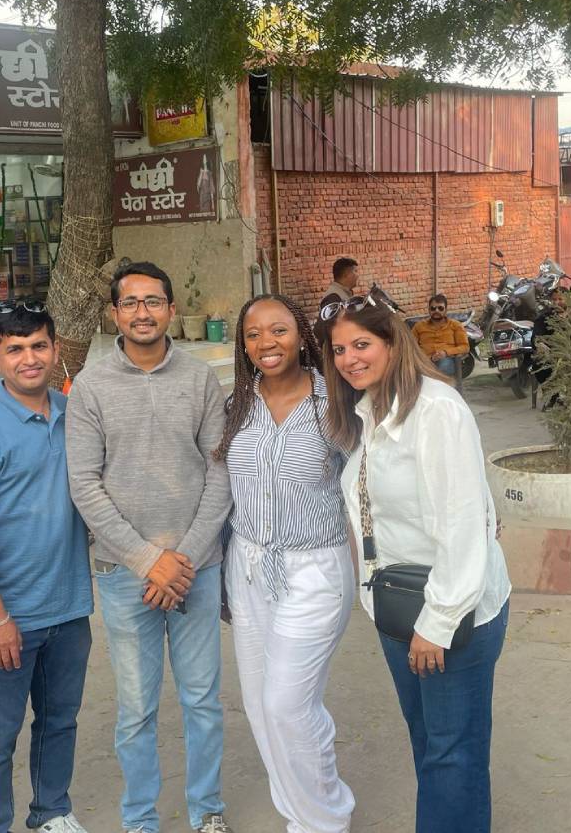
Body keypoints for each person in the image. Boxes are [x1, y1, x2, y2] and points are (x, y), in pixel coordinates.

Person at [321, 294, 511, 833]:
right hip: (399, 607)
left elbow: (462, 524)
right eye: (339, 350)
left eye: (362, 344)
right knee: (430, 744)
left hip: (451, 613)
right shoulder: (367, 410)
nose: (350, 359)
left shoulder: (436, 409)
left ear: (391, 342)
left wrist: (438, 623)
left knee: (454, 754)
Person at [66, 261, 233, 833]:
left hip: (195, 569)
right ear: (115, 313)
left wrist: (181, 557)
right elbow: (83, 484)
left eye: (154, 301)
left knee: (203, 702)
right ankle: (140, 820)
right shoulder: (90, 386)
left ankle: (207, 811)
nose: (143, 312)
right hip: (124, 574)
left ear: (169, 309)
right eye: (131, 302)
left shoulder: (199, 378)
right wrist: (148, 561)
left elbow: (220, 473)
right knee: (136, 711)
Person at [0, 302, 94, 833]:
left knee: (60, 721)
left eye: (38, 346)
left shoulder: (75, 416)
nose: (28, 358)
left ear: (55, 351)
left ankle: (51, 810)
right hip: (8, 616)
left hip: (70, 605)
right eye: (15, 349)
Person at [215, 294, 355, 833]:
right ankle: (299, 815)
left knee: (288, 704)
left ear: (301, 335)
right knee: (259, 706)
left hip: (314, 569)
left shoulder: (335, 404)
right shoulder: (236, 406)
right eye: (253, 335)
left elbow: (371, 477)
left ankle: (327, 818)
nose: (265, 344)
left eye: (278, 331)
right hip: (247, 569)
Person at [410, 294, 470, 383]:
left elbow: (465, 347)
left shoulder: (455, 325)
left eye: (440, 308)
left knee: (443, 365)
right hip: (424, 361)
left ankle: (440, 391)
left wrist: (445, 353)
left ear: (446, 310)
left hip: (446, 359)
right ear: (429, 310)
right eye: (433, 308)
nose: (436, 311)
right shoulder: (419, 326)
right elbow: (410, 345)